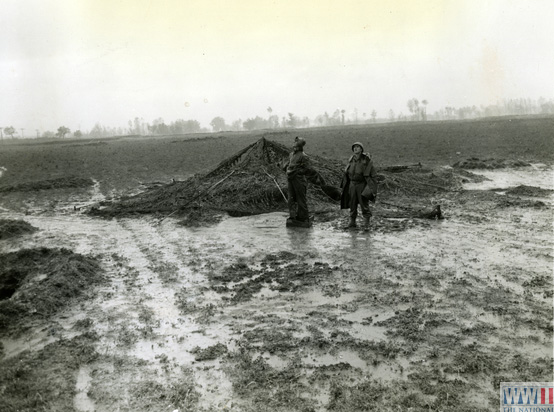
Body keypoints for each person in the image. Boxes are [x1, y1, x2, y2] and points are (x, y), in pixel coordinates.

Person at [282, 136, 324, 227]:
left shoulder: (304, 156)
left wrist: (297, 171)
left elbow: (308, 169)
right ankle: (293, 216)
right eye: (294, 144)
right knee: (291, 199)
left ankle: (303, 218)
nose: (294, 146)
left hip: (299, 180)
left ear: (300, 146)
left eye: (297, 144)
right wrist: (285, 168)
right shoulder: (291, 155)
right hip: (290, 179)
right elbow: (287, 165)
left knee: (301, 199)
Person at [340, 142, 377, 230]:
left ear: (361, 149)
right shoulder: (351, 159)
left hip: (362, 184)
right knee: (352, 203)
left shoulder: (366, 160)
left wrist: (371, 187)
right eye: (354, 147)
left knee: (363, 204)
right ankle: (352, 222)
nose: (355, 149)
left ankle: (366, 224)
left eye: (357, 147)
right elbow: (347, 172)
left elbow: (373, 174)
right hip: (352, 184)